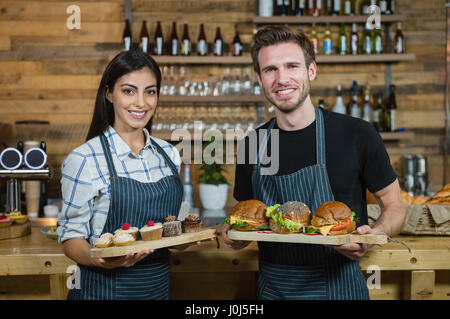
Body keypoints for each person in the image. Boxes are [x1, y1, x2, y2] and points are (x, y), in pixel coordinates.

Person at [222, 25, 407, 300]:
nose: (282, 79)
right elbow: (249, 223)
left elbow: (396, 208)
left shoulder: (357, 133)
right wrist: (233, 235)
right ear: (259, 79)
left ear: (311, 71)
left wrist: (372, 235)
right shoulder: (252, 143)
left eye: (292, 66)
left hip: (339, 287)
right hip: (274, 290)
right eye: (270, 69)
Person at [58, 50, 186, 300]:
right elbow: (71, 239)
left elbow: (170, 228)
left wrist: (185, 239)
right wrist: (101, 261)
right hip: (102, 291)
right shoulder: (84, 159)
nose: (141, 102)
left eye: (150, 91)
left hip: (156, 290)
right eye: (129, 91)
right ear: (109, 94)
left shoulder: (169, 153)